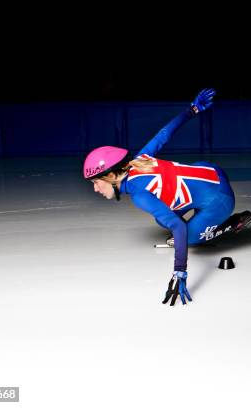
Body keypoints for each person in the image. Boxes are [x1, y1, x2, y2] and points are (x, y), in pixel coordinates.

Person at [83, 89, 235, 306]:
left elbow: (178, 227)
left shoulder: (140, 195)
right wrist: (192, 109)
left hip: (220, 198)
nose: (96, 189)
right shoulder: (140, 158)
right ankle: (200, 211)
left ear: (110, 175)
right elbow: (164, 133)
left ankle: (217, 225)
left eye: (96, 183)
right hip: (211, 170)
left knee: (186, 235)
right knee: (160, 217)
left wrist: (179, 272)